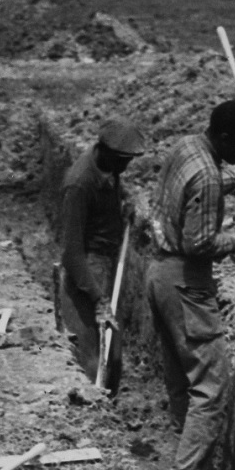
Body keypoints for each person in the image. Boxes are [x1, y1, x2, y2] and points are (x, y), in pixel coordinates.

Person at [145, 100, 235, 470]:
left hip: (159, 274)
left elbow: (207, 185)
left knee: (184, 380)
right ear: (225, 137)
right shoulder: (207, 175)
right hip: (186, 281)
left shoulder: (188, 147)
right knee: (211, 385)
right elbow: (198, 242)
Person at [55, 118, 148, 386]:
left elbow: (112, 191)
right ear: (106, 151)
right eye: (123, 160)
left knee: (112, 359)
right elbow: (71, 253)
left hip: (106, 263)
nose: (126, 167)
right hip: (86, 272)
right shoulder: (79, 184)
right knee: (91, 360)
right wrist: (98, 298)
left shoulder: (108, 166)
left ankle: (109, 403)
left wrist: (124, 203)